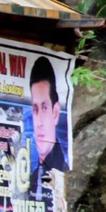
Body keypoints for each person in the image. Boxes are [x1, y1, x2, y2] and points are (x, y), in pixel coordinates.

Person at [27, 57, 68, 202]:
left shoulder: (65, 174)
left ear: (55, 113)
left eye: (44, 108)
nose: (38, 122)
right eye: (35, 108)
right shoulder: (31, 180)